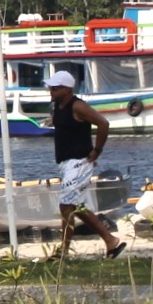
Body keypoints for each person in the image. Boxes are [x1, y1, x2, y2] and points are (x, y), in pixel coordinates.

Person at [45, 71, 127, 260]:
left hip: (80, 161)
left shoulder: (78, 106)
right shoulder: (57, 106)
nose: (51, 90)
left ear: (67, 89)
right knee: (75, 206)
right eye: (51, 86)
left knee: (67, 205)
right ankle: (110, 241)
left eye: (55, 88)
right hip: (65, 162)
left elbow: (103, 124)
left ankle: (63, 252)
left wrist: (96, 150)